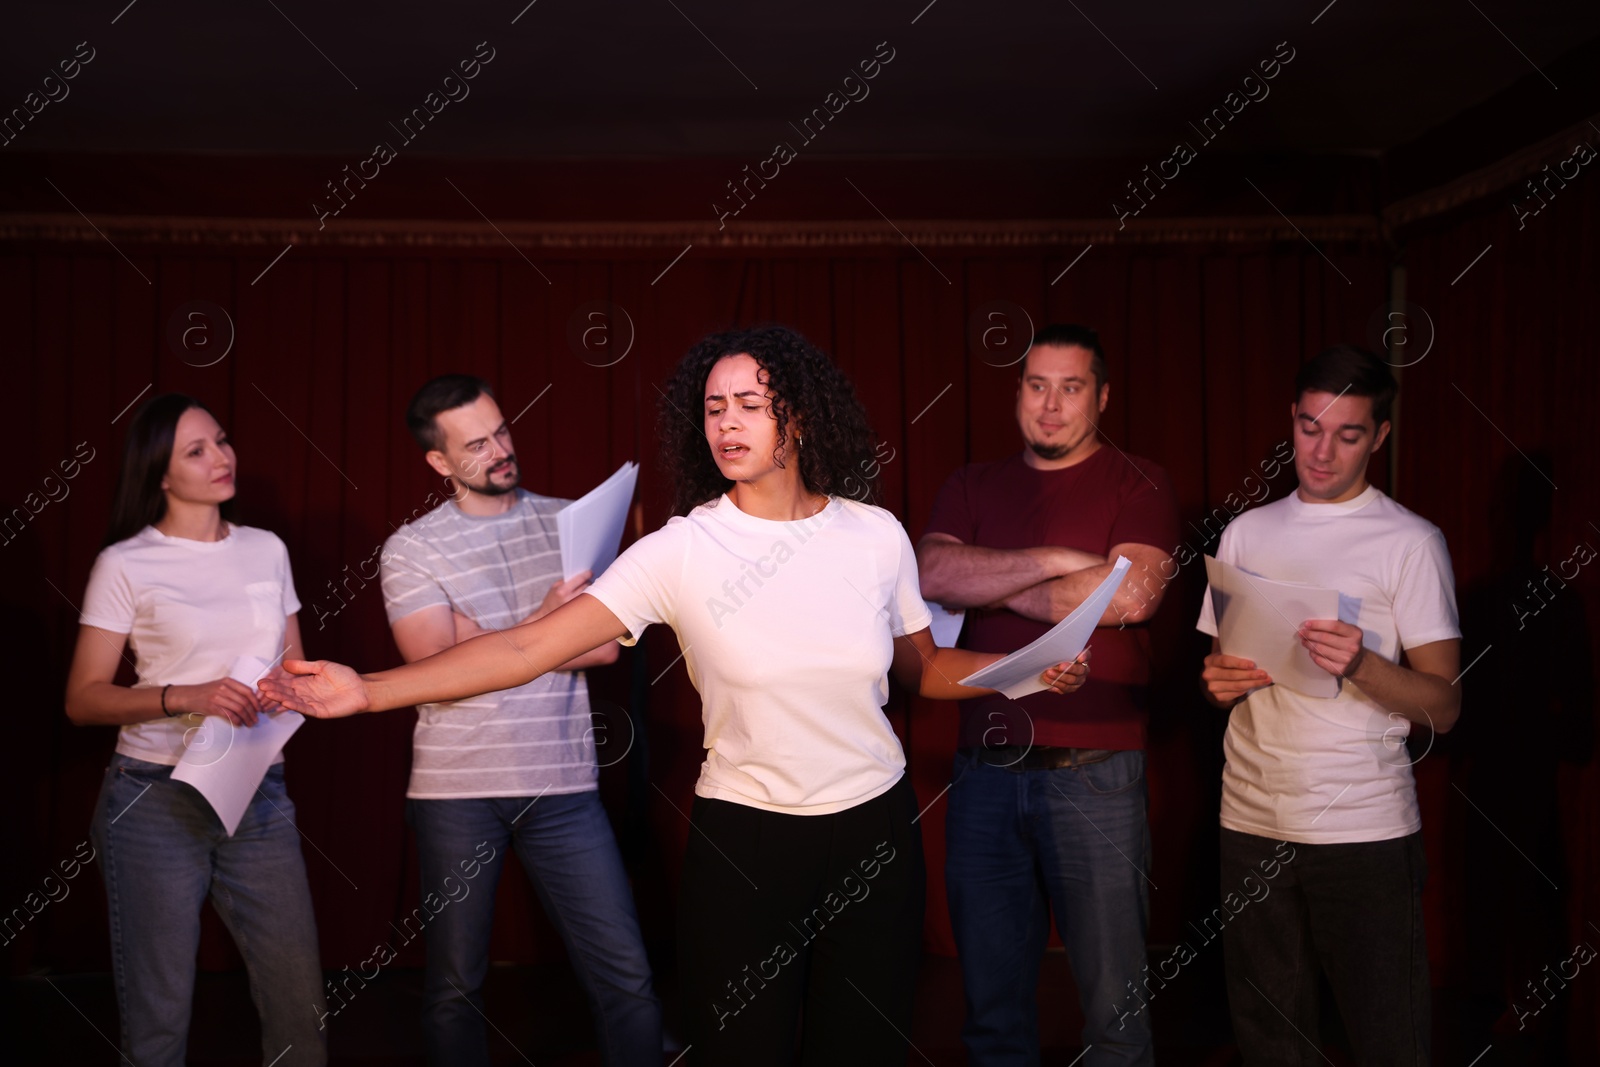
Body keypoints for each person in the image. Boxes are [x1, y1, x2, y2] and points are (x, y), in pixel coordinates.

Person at [262, 325, 1089, 1067]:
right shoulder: (682, 549)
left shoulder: (873, 535)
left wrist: (1027, 668)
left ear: (795, 417)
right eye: (714, 407)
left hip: (873, 835)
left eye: (750, 405)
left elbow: (924, 671)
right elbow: (524, 646)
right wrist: (366, 689)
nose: (726, 423)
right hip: (746, 843)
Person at [917, 323, 1180, 1065]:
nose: (1052, 406)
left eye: (1070, 388)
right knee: (993, 1019)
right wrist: (1064, 564)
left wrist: (996, 576)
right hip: (985, 775)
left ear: (1101, 396)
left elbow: (1131, 597)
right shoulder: (971, 483)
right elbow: (934, 573)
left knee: (1115, 1014)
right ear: (1018, 394)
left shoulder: (1140, 479)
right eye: (1037, 386)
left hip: (1096, 775)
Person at [379, 374, 661, 1067]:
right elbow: (434, 665)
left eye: (502, 430)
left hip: (562, 786)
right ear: (439, 463)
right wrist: (542, 620)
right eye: (476, 444)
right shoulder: (412, 548)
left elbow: (600, 643)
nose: (500, 449)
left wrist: (488, 634)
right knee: (453, 985)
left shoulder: (572, 523)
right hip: (455, 793)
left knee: (625, 973)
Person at [1197, 345, 1461, 1064]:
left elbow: (1444, 705)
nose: (1322, 450)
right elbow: (1218, 672)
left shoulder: (1410, 541)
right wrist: (1217, 683)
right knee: (1270, 1036)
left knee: (1388, 1035)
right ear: (1293, 419)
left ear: (1379, 436)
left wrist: (1365, 663)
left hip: (1364, 830)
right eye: (1311, 427)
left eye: (1347, 434)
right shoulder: (1247, 531)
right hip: (1249, 818)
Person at [64, 394, 326, 1067]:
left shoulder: (267, 548)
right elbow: (84, 698)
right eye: (196, 450)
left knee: (300, 1008)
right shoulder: (126, 563)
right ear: (160, 474)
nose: (222, 456)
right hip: (152, 799)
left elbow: (294, 665)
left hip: (257, 793)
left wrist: (285, 688)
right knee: (159, 1022)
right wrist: (188, 696)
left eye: (222, 439)